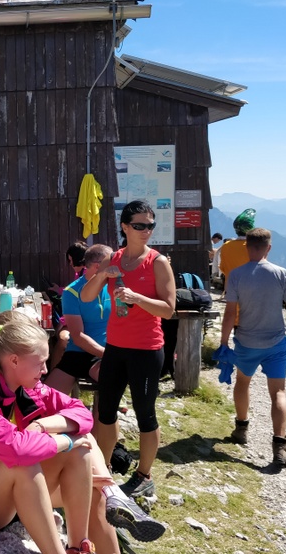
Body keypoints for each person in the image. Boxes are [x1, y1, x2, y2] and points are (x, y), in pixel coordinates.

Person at [0, 313, 164, 554]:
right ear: (14, 361)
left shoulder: (25, 386)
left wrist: (44, 426)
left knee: (87, 472)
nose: (45, 370)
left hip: (12, 494)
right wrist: (66, 440)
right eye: (40, 363)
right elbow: (17, 450)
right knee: (28, 463)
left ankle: (79, 546)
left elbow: (81, 413)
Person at [80, 199, 175, 500]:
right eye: (139, 225)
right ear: (125, 227)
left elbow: (169, 309)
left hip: (146, 349)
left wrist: (137, 298)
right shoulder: (115, 259)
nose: (146, 230)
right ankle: (104, 471)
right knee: (106, 412)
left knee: (145, 413)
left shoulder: (157, 262)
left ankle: (144, 476)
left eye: (150, 225)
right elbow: (86, 296)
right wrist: (101, 275)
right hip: (116, 348)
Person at [219, 228, 286, 466]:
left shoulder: (236, 275)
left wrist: (224, 341)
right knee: (278, 392)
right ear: (269, 248)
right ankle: (280, 446)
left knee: (242, 382)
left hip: (246, 341)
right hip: (276, 342)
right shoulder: (281, 273)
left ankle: (241, 429)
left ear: (247, 246)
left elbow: (230, 313)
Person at [45, 244, 112, 395]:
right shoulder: (72, 291)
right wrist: (109, 354)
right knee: (44, 401)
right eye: (112, 262)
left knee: (110, 385)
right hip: (79, 353)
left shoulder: (114, 286)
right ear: (98, 266)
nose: (116, 266)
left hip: (106, 354)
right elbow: (78, 337)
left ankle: (102, 409)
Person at [218, 208, 257, 291]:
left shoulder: (226, 246)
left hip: (231, 290)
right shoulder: (254, 247)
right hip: (250, 290)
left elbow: (222, 268)